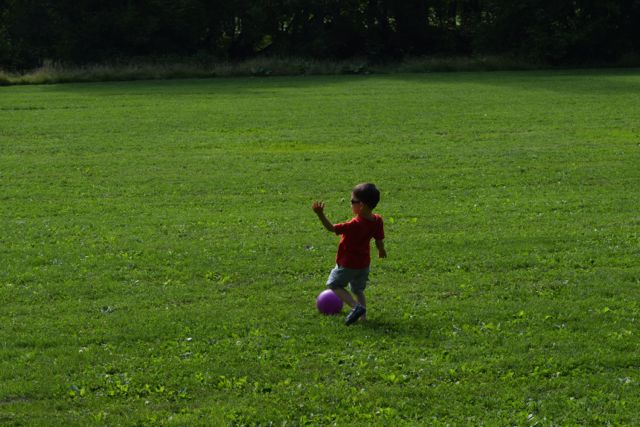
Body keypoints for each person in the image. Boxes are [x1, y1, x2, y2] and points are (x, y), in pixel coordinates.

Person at [312, 183, 386, 325]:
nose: (350, 204)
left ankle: (355, 306)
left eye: (353, 201)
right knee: (358, 290)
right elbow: (379, 239)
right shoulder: (377, 220)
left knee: (333, 284)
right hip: (364, 265)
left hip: (348, 264)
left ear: (361, 205)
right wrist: (381, 250)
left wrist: (320, 214)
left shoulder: (354, 225)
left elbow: (331, 228)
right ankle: (363, 318)